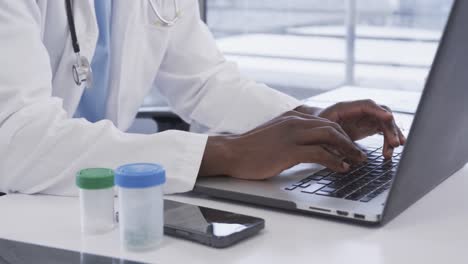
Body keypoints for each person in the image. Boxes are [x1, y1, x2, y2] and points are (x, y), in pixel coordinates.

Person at [0, 1, 404, 195]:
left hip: (97, 207)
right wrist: (227, 153)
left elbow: (204, 80)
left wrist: (309, 121)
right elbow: (17, 140)